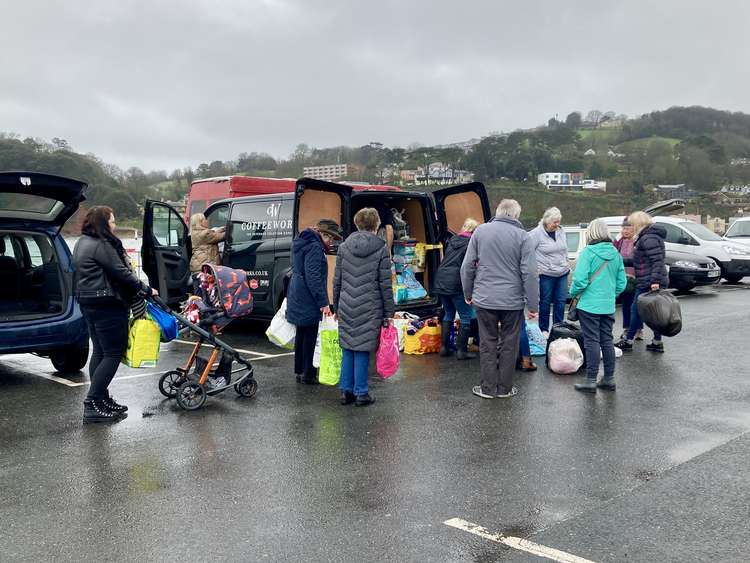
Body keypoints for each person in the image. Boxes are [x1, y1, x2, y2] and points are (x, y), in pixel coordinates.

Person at [73, 206, 157, 423]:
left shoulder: (82, 242)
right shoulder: (101, 244)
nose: (115, 224)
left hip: (88, 302)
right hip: (107, 303)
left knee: (100, 351)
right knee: (112, 353)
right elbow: (121, 273)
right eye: (112, 220)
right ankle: (92, 404)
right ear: (103, 223)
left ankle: (101, 398)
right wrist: (146, 289)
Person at [461, 199, 539, 399]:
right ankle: (504, 389)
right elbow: (529, 273)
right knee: (509, 343)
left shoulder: (480, 231)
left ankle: (487, 389)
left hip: (484, 298)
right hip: (512, 301)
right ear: (516, 215)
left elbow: (467, 266)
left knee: (487, 342)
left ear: (498, 212)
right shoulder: (523, 237)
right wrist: (532, 304)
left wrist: (468, 293)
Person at [333, 208, 394, 407]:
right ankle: (361, 392)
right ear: (376, 225)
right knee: (362, 349)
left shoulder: (343, 247)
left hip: (346, 303)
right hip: (370, 305)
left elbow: (337, 280)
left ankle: (345, 391)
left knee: (348, 346)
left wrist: (336, 306)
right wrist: (389, 313)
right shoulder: (381, 248)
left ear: (357, 223)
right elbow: (385, 284)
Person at [569, 219, 627, 393]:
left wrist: (573, 293)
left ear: (591, 233)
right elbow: (622, 283)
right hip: (608, 306)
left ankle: (591, 380)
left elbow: (579, 281)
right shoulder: (616, 254)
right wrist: (610, 295)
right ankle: (609, 379)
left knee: (591, 341)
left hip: (588, 306)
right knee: (607, 341)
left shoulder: (588, 253)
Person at [286, 219, 343, 384]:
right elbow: (314, 277)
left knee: (302, 334)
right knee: (310, 335)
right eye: (330, 238)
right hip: (308, 297)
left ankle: (300, 371)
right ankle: (309, 374)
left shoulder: (302, 242)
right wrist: (323, 302)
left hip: (297, 293)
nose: (331, 242)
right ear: (323, 234)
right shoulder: (315, 248)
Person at [615, 212, 669, 353]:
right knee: (654, 312)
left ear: (638, 223)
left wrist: (655, 281)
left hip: (649, 280)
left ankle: (628, 340)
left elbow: (657, 260)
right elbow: (639, 261)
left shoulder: (648, 238)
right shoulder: (647, 237)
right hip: (648, 279)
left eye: (633, 224)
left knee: (636, 310)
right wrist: (620, 260)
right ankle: (657, 342)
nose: (631, 227)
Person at [433, 218, 479, 360]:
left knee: (448, 313)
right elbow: (470, 267)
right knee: (465, 316)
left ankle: (444, 347)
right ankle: (461, 351)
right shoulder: (471, 244)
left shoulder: (452, 241)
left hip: (441, 280)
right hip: (456, 283)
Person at [529, 207, 569, 334]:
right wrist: (534, 269)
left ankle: (558, 328)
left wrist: (566, 263)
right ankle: (544, 329)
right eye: (554, 222)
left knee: (561, 301)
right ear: (546, 221)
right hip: (546, 274)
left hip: (562, 272)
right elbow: (528, 253)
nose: (557, 225)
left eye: (559, 222)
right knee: (545, 302)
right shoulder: (535, 234)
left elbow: (565, 250)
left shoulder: (561, 231)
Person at [613, 218, 640, 340]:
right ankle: (627, 328)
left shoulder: (638, 241)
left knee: (637, 306)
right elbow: (613, 252)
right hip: (623, 278)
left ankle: (639, 329)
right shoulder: (620, 242)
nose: (625, 231)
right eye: (623, 228)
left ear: (634, 229)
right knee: (626, 305)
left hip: (637, 278)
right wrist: (617, 239)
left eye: (628, 228)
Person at [189, 213, 226, 294]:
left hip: (197, 268)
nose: (207, 221)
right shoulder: (205, 234)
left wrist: (223, 228)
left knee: (199, 295)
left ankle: (198, 306)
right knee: (207, 295)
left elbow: (213, 232)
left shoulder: (195, 233)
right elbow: (221, 236)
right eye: (204, 219)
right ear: (200, 222)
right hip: (204, 269)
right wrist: (232, 229)